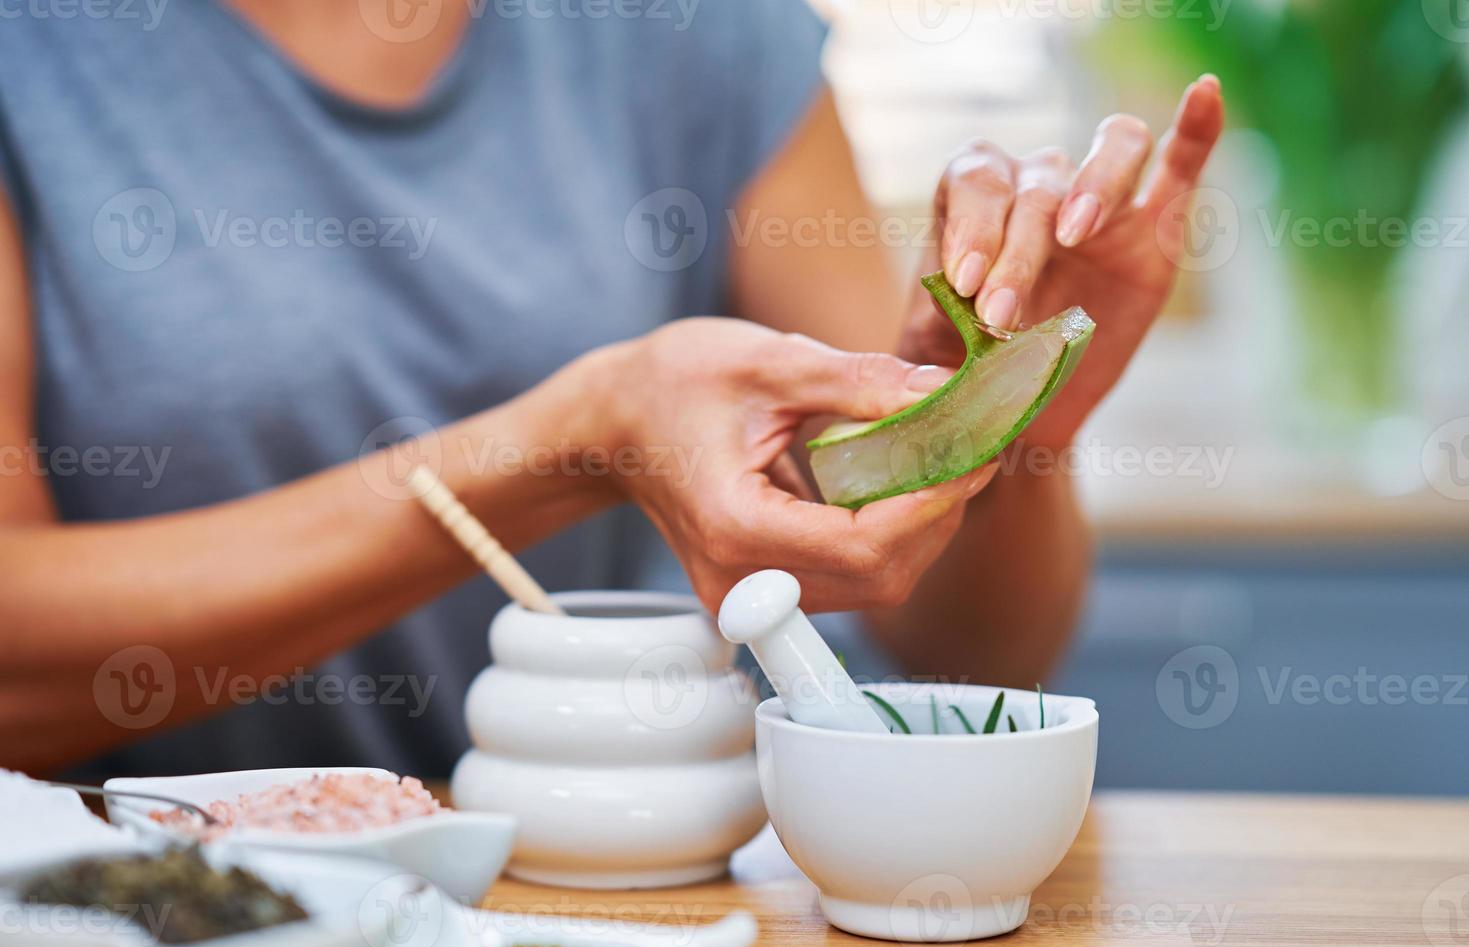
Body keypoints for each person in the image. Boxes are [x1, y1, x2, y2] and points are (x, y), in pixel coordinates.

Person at [0, 0, 1224, 776]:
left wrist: (1007, 423)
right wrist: (564, 443)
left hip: (575, 896)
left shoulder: (689, 32)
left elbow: (970, 644)